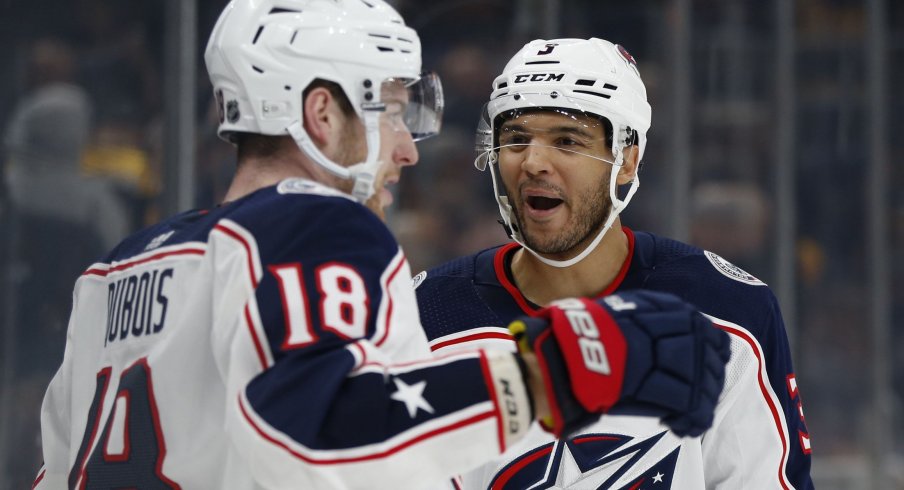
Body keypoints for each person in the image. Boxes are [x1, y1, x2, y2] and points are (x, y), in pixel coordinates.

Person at [34, 4, 728, 489]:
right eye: (392, 109)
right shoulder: (313, 224)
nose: (406, 148)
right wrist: (551, 373)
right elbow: (312, 434)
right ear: (321, 113)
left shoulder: (122, 265)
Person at [415, 38, 814, 489]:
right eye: (516, 139)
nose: (533, 162)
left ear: (626, 159)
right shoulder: (423, 316)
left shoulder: (728, 310)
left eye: (567, 140)